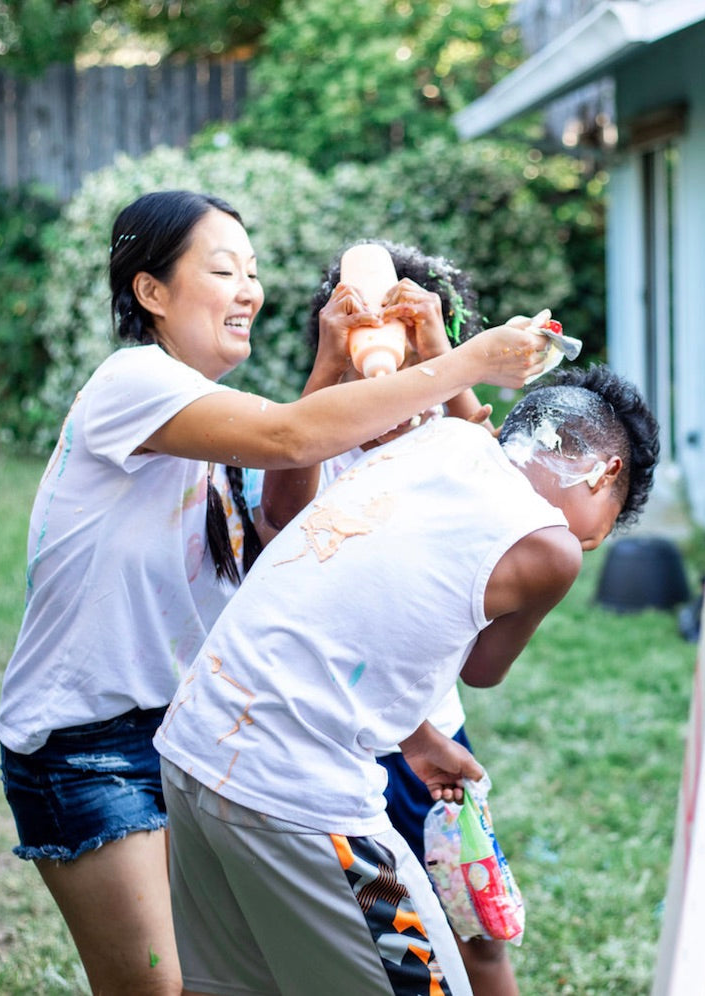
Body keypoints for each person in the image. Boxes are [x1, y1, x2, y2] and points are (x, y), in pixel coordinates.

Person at [0, 190, 551, 996]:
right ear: (151, 292)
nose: (250, 288)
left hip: (188, 738)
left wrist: (417, 738)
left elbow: (277, 574)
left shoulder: (220, 427)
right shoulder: (133, 383)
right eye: (224, 269)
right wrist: (467, 361)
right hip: (89, 748)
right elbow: (292, 435)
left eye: (253, 271)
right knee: (156, 988)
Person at [154, 364, 660, 996]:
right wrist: (566, 550)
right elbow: (482, 669)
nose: (590, 541)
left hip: (194, 742)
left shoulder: (435, 442)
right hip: (297, 788)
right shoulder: (549, 547)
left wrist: (418, 740)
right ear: (608, 472)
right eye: (606, 526)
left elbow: (345, 618)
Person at [260, 241, 517, 995]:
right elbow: (280, 517)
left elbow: (508, 501)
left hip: (431, 736)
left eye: (408, 341)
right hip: (342, 746)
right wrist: (328, 372)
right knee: (382, 938)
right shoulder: (319, 432)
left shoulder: (451, 435)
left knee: (475, 923)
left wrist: (450, 359)